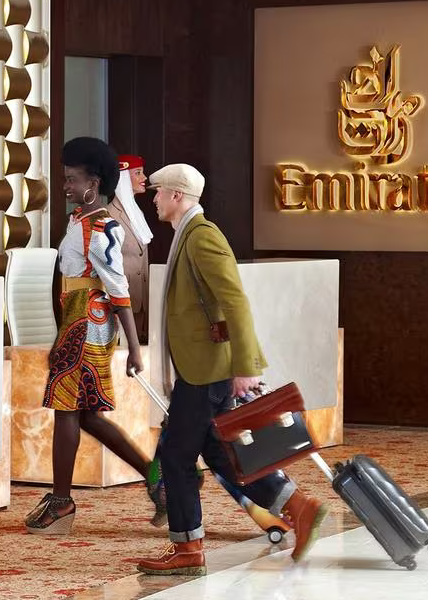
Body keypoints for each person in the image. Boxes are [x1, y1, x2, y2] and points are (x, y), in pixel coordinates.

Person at [137, 163, 328, 576]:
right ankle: (298, 506)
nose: (152, 199)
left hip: (208, 371)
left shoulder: (202, 237)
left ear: (176, 196)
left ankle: (188, 548)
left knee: (175, 455)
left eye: (158, 193)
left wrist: (245, 366)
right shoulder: (187, 235)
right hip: (200, 368)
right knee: (221, 453)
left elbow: (235, 300)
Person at [24, 137, 159, 535]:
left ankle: (62, 502)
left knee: (68, 410)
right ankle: (156, 478)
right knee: (86, 415)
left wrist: (134, 349)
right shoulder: (79, 220)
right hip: (78, 322)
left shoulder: (100, 227)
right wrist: (59, 334)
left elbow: (118, 289)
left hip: (88, 324)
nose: (64, 186)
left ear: (94, 181)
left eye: (71, 178)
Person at [107, 154, 153, 344]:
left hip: (141, 297)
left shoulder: (136, 212)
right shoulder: (110, 215)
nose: (144, 178)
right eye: (138, 173)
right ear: (124, 178)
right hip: (123, 301)